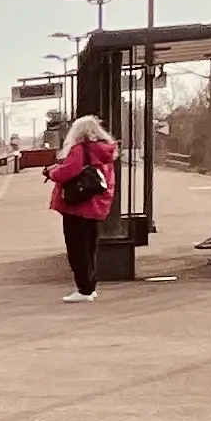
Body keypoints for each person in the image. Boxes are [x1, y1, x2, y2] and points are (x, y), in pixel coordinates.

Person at [47, 112, 120, 297]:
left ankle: (83, 290)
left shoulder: (81, 149)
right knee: (89, 248)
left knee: (77, 249)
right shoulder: (105, 151)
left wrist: (50, 171)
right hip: (96, 206)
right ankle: (90, 287)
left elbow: (66, 172)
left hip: (78, 206)